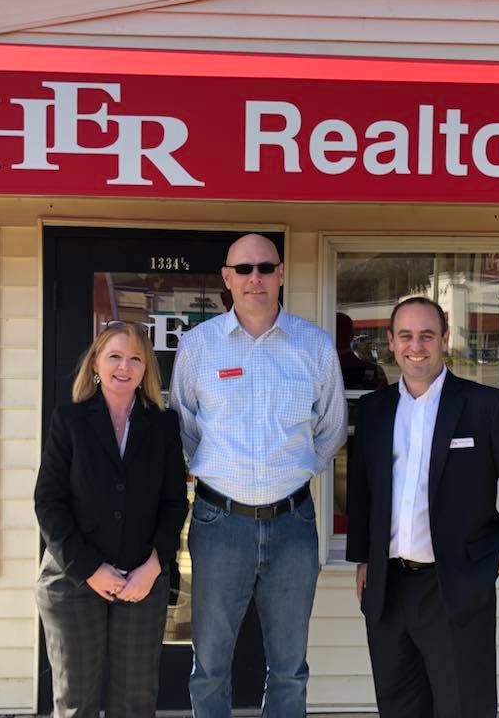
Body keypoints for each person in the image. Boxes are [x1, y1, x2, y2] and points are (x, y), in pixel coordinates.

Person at [170, 233, 347, 718]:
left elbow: (331, 429)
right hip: (218, 524)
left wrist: (290, 473)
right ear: (227, 278)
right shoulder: (199, 347)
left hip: (293, 526)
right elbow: (184, 427)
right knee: (209, 665)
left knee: (290, 667)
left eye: (265, 268)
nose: (255, 279)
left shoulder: (313, 345)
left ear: (281, 273)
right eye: (243, 269)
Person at [346, 296, 499, 718]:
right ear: (391, 341)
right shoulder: (374, 410)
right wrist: (363, 559)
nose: (415, 346)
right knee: (398, 705)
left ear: (444, 340)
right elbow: (363, 492)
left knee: (462, 707)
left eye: (426, 335)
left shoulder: (485, 407)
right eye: (405, 336)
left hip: (454, 585)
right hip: (388, 589)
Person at [34, 321, 189, 718]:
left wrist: (153, 568)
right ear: (96, 365)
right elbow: (49, 503)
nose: (125, 366)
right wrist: (90, 569)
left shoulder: (163, 425)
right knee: (76, 702)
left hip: (141, 581)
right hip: (73, 580)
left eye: (135, 358)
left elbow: (174, 503)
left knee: (135, 703)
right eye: (115, 356)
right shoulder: (69, 420)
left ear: (145, 370)